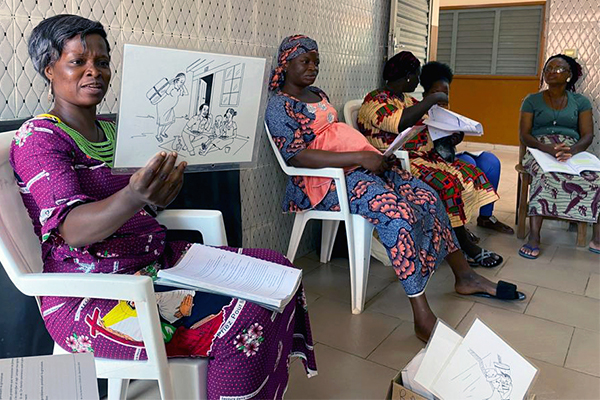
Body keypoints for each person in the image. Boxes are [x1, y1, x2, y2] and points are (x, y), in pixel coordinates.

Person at [13, 15, 316, 399]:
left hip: (154, 265)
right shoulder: (39, 137)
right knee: (247, 317)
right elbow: (71, 230)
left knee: (280, 268)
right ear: (49, 69)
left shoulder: (115, 130)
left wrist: (156, 197)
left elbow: (140, 210)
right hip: (99, 296)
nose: (94, 72)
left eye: (102, 62)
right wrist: (134, 196)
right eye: (77, 62)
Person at [265, 35, 524, 342]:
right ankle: (421, 315)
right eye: (304, 61)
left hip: (358, 167)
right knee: (398, 216)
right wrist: (361, 155)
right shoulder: (279, 106)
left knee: (428, 197)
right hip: (324, 182)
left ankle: (464, 275)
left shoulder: (317, 94)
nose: (312, 68)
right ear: (286, 63)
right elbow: (297, 155)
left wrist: (373, 158)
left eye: (316, 61)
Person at [357, 52, 504, 268]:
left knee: (472, 173)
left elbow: (430, 125)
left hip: (422, 158)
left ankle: (455, 233)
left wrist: (455, 132)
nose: (418, 81)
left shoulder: (405, 99)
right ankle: (464, 245)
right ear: (408, 76)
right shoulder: (375, 101)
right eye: (416, 75)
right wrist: (432, 99)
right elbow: (399, 123)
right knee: (448, 185)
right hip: (395, 165)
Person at [419, 61, 514, 237]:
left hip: (450, 155)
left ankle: (486, 216)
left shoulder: (445, 109)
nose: (441, 98)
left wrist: (458, 136)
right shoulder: (418, 110)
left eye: (445, 94)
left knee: (491, 161)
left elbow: (449, 139)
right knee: (469, 163)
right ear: (426, 92)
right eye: (435, 93)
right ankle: (460, 224)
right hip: (433, 161)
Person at [518, 54, 599, 258]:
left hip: (572, 148)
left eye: (559, 68)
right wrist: (547, 149)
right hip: (538, 148)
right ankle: (534, 236)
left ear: (569, 75)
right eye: (548, 68)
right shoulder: (532, 100)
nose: (552, 71)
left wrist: (571, 151)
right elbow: (525, 135)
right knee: (545, 175)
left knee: (595, 177)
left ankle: (597, 237)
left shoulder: (581, 102)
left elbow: (587, 135)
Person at [155, 72, 188, 143]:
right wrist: (157, 101)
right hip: (163, 107)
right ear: (176, 80)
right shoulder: (171, 87)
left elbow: (186, 93)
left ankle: (162, 132)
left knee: (170, 121)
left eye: (183, 82)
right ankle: (158, 135)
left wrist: (182, 85)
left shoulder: (179, 89)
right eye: (181, 82)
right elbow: (163, 95)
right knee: (162, 122)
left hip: (170, 108)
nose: (182, 84)